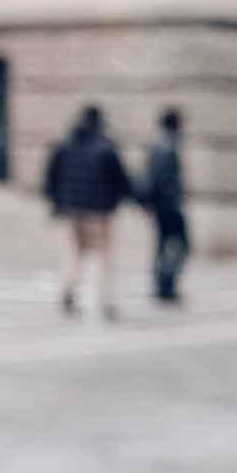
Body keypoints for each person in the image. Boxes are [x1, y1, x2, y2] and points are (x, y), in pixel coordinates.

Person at [43, 105, 133, 317]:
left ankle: (69, 288)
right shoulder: (106, 147)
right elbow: (121, 179)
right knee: (103, 254)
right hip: (99, 211)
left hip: (72, 208)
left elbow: (51, 176)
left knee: (74, 250)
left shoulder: (64, 144)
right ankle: (105, 299)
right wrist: (133, 198)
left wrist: (56, 202)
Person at [142, 108, 190, 303]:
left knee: (163, 245)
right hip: (169, 205)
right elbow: (158, 179)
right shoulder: (168, 146)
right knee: (181, 245)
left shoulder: (160, 144)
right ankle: (165, 285)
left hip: (164, 205)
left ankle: (163, 284)